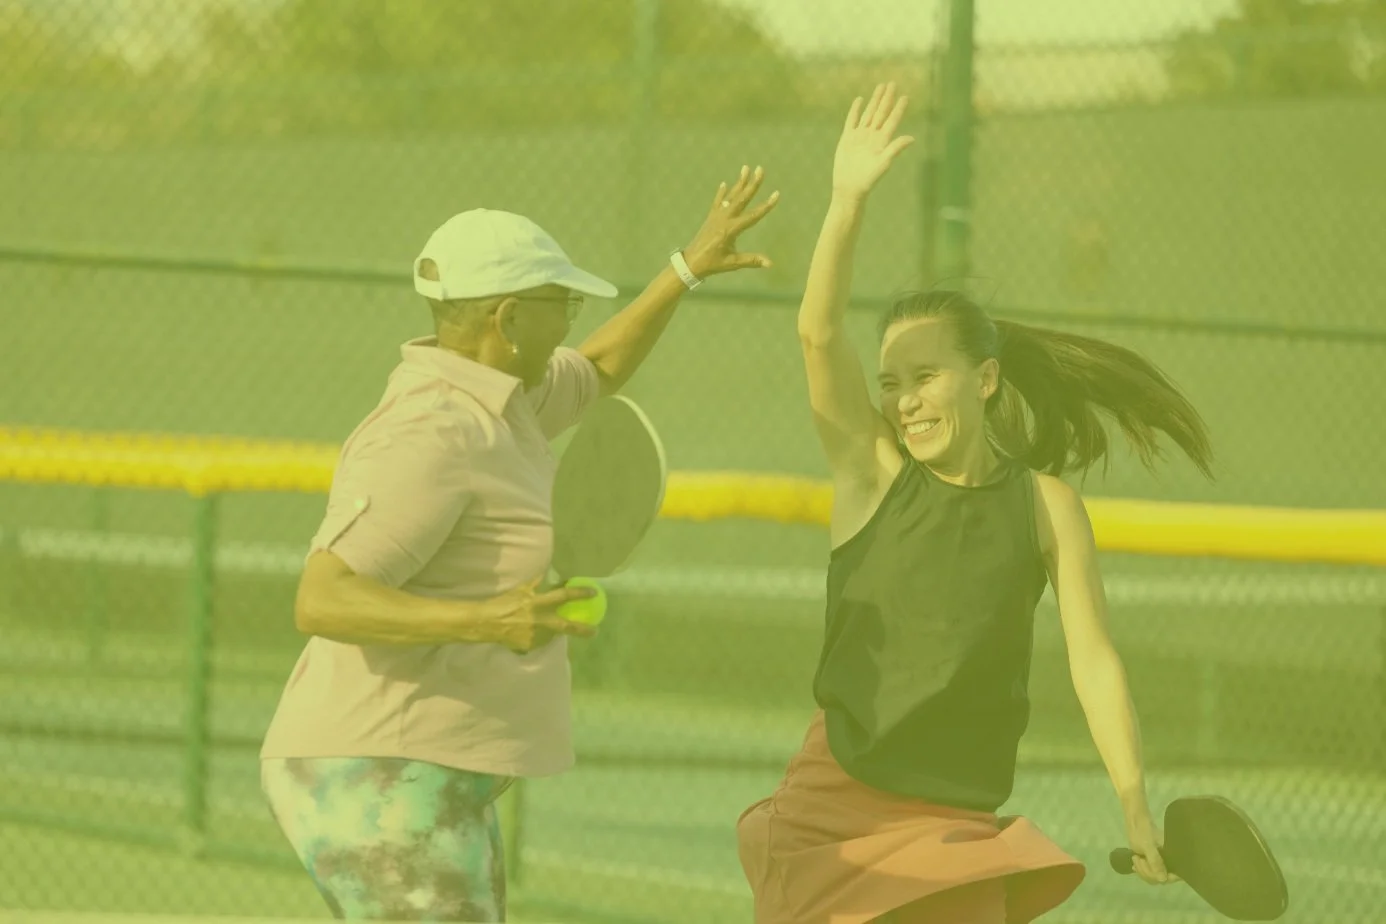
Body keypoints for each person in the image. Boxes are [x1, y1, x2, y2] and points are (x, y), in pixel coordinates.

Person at [736, 83, 1214, 924]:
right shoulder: (870, 474)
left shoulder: (1046, 505)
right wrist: (846, 199)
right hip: (838, 808)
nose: (904, 401)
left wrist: (1135, 800)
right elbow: (817, 334)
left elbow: (1094, 660)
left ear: (985, 380)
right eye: (890, 384)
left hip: (955, 823)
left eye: (925, 378)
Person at [259, 167, 778, 922]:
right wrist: (485, 619)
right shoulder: (432, 429)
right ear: (508, 318)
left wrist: (686, 269)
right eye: (558, 305)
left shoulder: (508, 398)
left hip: (426, 773)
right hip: (376, 769)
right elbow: (323, 595)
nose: (567, 320)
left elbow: (599, 369)